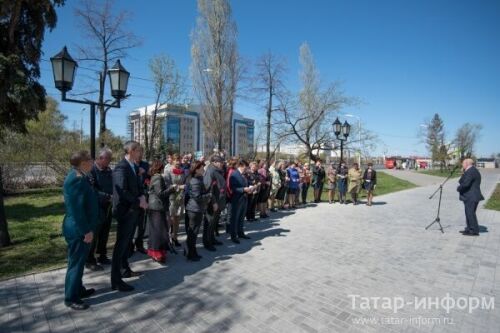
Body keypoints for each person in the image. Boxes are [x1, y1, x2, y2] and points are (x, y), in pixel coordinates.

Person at [62, 150, 98, 310]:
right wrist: (86, 231)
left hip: (80, 227)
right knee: (75, 263)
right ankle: (71, 298)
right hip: (78, 229)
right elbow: (77, 210)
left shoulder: (79, 175)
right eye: (90, 159)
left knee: (79, 261)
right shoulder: (76, 179)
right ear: (83, 163)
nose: (93, 161)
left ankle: (78, 289)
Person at [111, 141, 148, 292]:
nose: (141, 153)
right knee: (120, 246)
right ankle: (116, 281)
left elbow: (137, 187)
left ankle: (125, 270)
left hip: (133, 211)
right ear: (132, 151)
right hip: (126, 212)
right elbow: (121, 190)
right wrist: (138, 201)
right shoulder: (122, 167)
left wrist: (142, 196)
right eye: (139, 150)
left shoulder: (133, 166)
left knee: (126, 244)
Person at [85, 148, 113, 271]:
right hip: (96, 208)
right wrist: (107, 197)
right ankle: (89, 259)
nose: (110, 161)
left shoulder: (108, 170)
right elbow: (92, 191)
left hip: (108, 207)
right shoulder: (91, 171)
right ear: (101, 158)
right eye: (108, 159)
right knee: (95, 234)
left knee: (105, 233)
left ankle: (102, 255)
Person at [147, 160, 176, 263]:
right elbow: (160, 193)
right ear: (160, 168)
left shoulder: (156, 177)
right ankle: (156, 253)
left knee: (159, 231)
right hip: (156, 207)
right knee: (158, 232)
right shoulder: (158, 177)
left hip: (157, 207)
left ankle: (158, 252)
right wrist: (172, 189)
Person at [184, 161, 212, 261]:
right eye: (201, 168)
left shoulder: (197, 179)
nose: (203, 169)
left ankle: (191, 251)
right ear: (196, 169)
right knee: (193, 233)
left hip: (196, 208)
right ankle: (190, 253)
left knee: (193, 232)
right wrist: (208, 196)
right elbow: (197, 197)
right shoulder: (195, 181)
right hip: (194, 209)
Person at [203, 155, 226, 251]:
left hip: (218, 201)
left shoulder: (217, 171)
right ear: (214, 162)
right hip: (213, 203)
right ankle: (207, 242)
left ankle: (212, 239)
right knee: (209, 223)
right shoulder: (210, 171)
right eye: (220, 162)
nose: (222, 164)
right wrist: (213, 202)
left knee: (214, 222)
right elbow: (209, 188)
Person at [457, 158, 484, 236]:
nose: (462, 165)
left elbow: (465, 184)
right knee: (469, 213)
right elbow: (461, 181)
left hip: (471, 196)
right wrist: (463, 172)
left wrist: (458, 188)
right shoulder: (470, 171)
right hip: (470, 196)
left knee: (470, 213)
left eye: (463, 163)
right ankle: (469, 229)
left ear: (467, 163)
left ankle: (474, 231)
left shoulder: (471, 171)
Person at [229, 159, 254, 243]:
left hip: (244, 198)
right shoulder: (234, 175)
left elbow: (246, 184)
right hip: (237, 199)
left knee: (241, 217)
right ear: (241, 166)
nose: (247, 169)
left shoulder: (244, 174)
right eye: (246, 167)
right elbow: (233, 188)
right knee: (235, 218)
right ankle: (234, 236)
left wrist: (250, 188)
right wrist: (243, 189)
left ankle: (240, 233)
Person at [165, 156, 187, 247]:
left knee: (177, 218)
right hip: (171, 197)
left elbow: (185, 182)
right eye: (176, 160)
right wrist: (177, 187)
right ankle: (167, 238)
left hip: (180, 197)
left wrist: (183, 188)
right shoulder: (168, 171)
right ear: (172, 161)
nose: (178, 162)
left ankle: (175, 237)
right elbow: (166, 185)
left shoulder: (182, 170)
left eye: (179, 160)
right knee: (171, 218)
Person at [132, 147, 150, 255]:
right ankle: (129, 246)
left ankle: (139, 244)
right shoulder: (129, 165)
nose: (140, 155)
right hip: (133, 198)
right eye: (138, 152)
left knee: (142, 223)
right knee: (131, 223)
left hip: (143, 196)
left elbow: (148, 178)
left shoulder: (145, 165)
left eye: (141, 153)